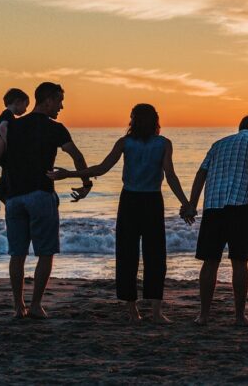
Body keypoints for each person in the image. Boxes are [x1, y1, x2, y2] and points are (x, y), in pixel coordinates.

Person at [47, 104, 189, 322]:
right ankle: (156, 312)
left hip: (130, 201)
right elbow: (170, 176)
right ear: (155, 121)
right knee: (155, 256)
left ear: (133, 120)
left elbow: (101, 169)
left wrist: (70, 174)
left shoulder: (126, 143)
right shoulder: (163, 143)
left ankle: (133, 311)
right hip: (152, 201)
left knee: (127, 255)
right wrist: (185, 202)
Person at [0, 82, 91, 319]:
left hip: (14, 197)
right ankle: (35, 305)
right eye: (59, 101)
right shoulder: (55, 128)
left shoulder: (12, 126)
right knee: (45, 252)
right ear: (47, 101)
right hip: (40, 194)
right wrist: (86, 184)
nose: (61, 106)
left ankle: (18, 307)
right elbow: (76, 156)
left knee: (17, 254)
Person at [183, 114, 248, 326]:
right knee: (239, 261)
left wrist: (191, 204)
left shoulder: (218, 144)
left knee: (210, 261)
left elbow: (201, 174)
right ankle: (239, 316)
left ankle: (203, 315)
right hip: (241, 204)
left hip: (213, 205)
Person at [0, 88, 30, 212]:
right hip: (2, 150)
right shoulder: (8, 114)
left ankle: (0, 195)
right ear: (17, 102)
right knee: (9, 172)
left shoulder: (7, 115)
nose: (26, 109)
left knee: (7, 172)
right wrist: (9, 144)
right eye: (25, 105)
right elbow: (3, 127)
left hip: (2, 149)